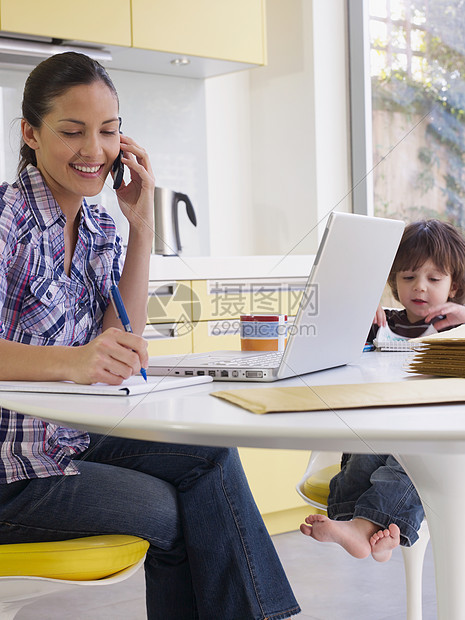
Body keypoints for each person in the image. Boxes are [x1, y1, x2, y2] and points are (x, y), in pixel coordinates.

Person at [0, 52, 300, 620]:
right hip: (9, 471)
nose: (95, 150)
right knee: (175, 508)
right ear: (31, 134)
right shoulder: (6, 222)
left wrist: (141, 228)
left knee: (207, 459)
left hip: (64, 442)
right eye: (73, 131)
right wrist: (72, 362)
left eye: (109, 131)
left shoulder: (97, 226)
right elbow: (84, 361)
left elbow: (119, 343)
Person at [300, 219, 465, 563]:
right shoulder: (382, 325)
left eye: (434, 279)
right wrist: (355, 312)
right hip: (380, 428)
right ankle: (368, 530)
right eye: (408, 278)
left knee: (411, 462)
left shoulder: (458, 325)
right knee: (365, 449)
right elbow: (324, 339)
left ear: (454, 286)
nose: (420, 287)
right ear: (393, 282)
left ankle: (366, 530)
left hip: (437, 442)